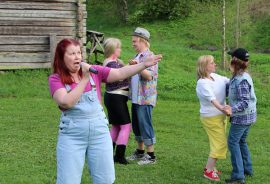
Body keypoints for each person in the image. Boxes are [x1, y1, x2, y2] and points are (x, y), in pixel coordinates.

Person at [48, 38, 161, 184]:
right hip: (72, 135)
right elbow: (66, 102)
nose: (77, 57)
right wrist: (84, 79)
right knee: (68, 181)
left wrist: (143, 64)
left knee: (105, 180)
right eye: (72, 54)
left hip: (99, 134)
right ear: (62, 57)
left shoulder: (95, 71)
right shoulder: (55, 79)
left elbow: (120, 73)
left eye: (79, 53)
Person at [126, 27, 159, 165]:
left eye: (135, 41)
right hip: (136, 98)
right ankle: (140, 152)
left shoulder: (149, 56)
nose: (133, 44)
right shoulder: (137, 57)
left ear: (143, 41)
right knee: (137, 125)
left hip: (145, 99)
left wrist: (138, 66)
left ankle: (151, 155)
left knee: (145, 124)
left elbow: (149, 76)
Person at [224, 48, 256, 184]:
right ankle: (247, 169)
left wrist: (231, 109)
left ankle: (238, 175)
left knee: (233, 142)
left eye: (231, 58)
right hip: (249, 116)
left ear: (235, 61)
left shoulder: (241, 79)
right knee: (241, 141)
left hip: (242, 117)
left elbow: (244, 101)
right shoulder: (241, 76)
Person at [196, 55, 230, 181]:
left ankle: (209, 167)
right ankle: (209, 171)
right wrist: (223, 108)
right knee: (220, 143)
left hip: (220, 116)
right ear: (205, 66)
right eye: (212, 63)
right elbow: (212, 99)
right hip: (211, 117)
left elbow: (228, 81)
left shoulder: (215, 77)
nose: (215, 64)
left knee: (217, 142)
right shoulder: (202, 83)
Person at [103, 38, 131, 165]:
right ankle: (119, 156)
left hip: (113, 97)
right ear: (113, 49)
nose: (120, 50)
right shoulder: (112, 64)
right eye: (119, 47)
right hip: (116, 98)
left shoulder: (111, 62)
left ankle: (107, 153)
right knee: (125, 126)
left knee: (116, 126)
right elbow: (122, 75)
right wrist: (133, 67)